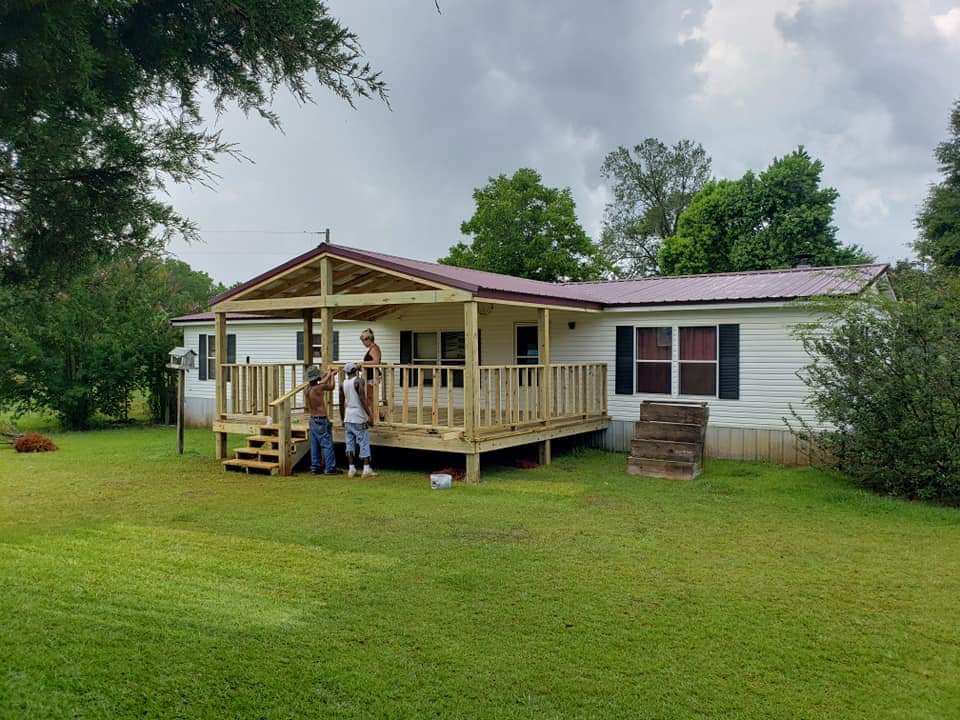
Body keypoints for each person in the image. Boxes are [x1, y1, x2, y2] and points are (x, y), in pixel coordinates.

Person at [339, 361, 377, 477]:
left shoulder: (343, 384)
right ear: (355, 371)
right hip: (358, 416)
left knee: (349, 443)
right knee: (363, 441)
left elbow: (341, 403)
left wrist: (342, 419)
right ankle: (366, 468)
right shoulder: (358, 381)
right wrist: (369, 415)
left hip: (348, 417)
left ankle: (351, 468)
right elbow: (363, 399)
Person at [304, 365, 340, 475]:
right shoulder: (318, 388)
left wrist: (328, 373)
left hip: (312, 419)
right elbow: (331, 386)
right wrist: (332, 374)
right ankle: (330, 468)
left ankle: (315, 467)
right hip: (321, 419)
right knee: (327, 444)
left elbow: (322, 380)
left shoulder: (307, 389)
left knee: (314, 444)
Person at [359, 328, 382, 424]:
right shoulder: (372, 349)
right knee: (369, 398)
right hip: (369, 376)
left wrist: (363, 363)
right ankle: (378, 416)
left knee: (370, 398)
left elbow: (376, 362)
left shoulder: (374, 349)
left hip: (372, 377)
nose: (363, 343)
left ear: (369, 339)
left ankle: (373, 419)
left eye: (363, 341)